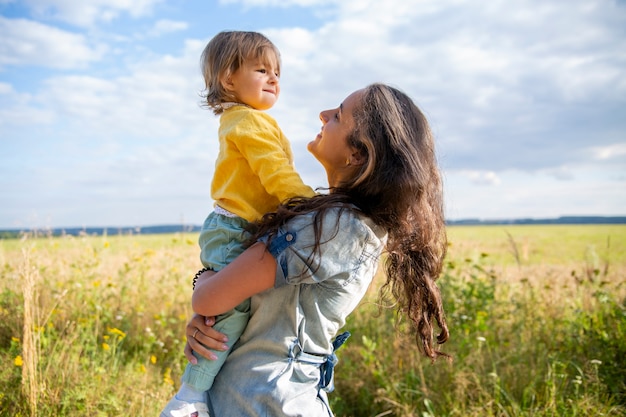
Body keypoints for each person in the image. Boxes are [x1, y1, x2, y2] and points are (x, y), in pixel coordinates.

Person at [184, 83, 450, 417]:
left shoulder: (331, 227)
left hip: (265, 401)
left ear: (357, 154)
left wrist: (206, 285)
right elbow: (230, 302)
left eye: (338, 115)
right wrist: (211, 322)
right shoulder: (349, 224)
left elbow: (210, 297)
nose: (323, 115)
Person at [160, 31, 314, 417]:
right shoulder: (248, 121)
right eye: (262, 70)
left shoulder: (249, 120)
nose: (274, 79)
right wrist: (313, 207)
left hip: (238, 228)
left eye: (278, 72)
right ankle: (190, 398)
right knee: (231, 307)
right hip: (235, 228)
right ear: (228, 79)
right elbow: (276, 173)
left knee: (227, 300)